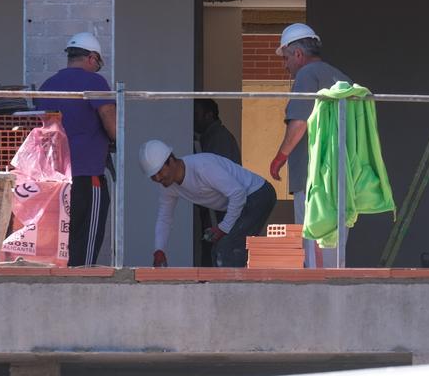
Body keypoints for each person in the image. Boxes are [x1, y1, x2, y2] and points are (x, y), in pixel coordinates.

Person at [269, 23, 351, 268]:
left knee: (315, 251)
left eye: (286, 59)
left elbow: (299, 123)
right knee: (336, 252)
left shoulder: (307, 75)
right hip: (342, 176)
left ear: (297, 54)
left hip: (314, 178)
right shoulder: (342, 77)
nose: (286, 66)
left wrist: (280, 157)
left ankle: (321, 300)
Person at [34, 32, 116, 267]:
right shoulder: (95, 83)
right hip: (87, 176)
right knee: (86, 242)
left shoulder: (47, 86)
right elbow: (111, 124)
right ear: (91, 58)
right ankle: (84, 284)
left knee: (61, 241)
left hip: (54, 180)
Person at [141, 139, 276, 268]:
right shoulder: (168, 186)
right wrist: (159, 250)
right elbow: (165, 218)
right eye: (153, 176)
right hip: (239, 202)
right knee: (219, 250)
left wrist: (223, 228)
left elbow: (238, 193)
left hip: (258, 194)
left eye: (159, 172)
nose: (158, 178)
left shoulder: (203, 167)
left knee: (227, 248)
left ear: (170, 161)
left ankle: (235, 288)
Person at [194, 99, 241, 164]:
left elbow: (214, 169)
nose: (193, 119)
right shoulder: (212, 136)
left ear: (209, 115)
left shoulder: (219, 138)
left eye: (196, 114)